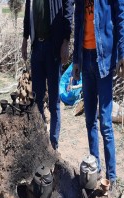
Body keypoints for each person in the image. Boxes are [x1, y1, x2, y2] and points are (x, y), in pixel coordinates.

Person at [73, 0, 124, 191]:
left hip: (103, 58)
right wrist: (76, 60)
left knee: (105, 123)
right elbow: (78, 18)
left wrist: (123, 53)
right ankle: (94, 169)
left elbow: (120, 17)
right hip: (86, 57)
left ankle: (111, 177)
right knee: (90, 120)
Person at [21, 0, 74, 150]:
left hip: (53, 47)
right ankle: (40, 140)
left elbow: (68, 10)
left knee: (54, 99)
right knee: (37, 98)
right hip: (36, 47)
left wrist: (65, 41)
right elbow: (27, 13)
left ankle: (53, 144)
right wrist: (25, 39)